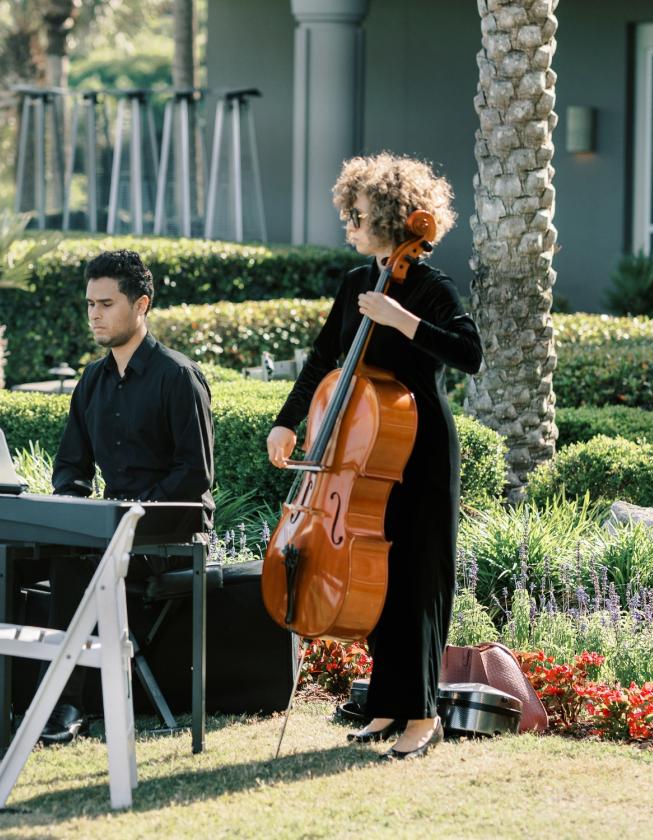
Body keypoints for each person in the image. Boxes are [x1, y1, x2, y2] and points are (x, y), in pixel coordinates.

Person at [0, 249, 216, 744]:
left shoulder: (178, 377)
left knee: (77, 558)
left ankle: (70, 704)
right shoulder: (91, 380)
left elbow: (195, 476)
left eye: (107, 304)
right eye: (90, 304)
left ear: (142, 306)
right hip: (104, 528)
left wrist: (127, 516)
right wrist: (69, 507)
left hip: (166, 530)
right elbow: (71, 466)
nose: (95, 314)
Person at [265, 153, 482, 760]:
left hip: (420, 449)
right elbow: (321, 362)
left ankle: (422, 715)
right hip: (363, 453)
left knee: (419, 576)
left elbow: (470, 353)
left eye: (356, 216)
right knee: (380, 582)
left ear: (390, 216)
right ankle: (386, 705)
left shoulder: (432, 287)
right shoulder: (356, 283)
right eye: (348, 215)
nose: (349, 226)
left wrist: (404, 321)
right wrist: (287, 423)